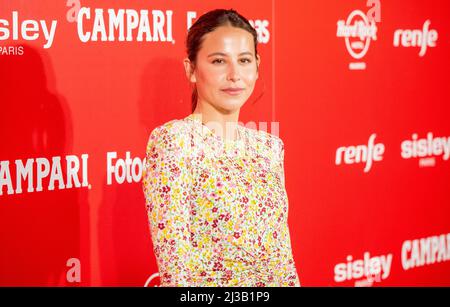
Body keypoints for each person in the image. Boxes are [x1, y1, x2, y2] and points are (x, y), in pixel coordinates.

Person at [142, 8, 300, 287]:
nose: (234, 75)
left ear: (257, 66)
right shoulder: (174, 142)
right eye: (218, 61)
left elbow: (283, 261)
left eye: (244, 60)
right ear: (191, 69)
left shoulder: (269, 147)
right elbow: (176, 271)